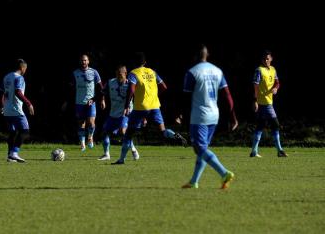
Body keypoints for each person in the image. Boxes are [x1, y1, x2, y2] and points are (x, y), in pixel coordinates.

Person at [112, 52, 187, 164]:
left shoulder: (133, 73)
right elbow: (164, 87)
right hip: (155, 106)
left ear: (134, 63)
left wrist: (127, 106)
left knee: (128, 134)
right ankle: (175, 135)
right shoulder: (152, 72)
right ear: (145, 62)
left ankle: (121, 159)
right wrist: (154, 96)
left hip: (141, 107)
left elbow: (131, 90)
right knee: (162, 131)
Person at [181, 45, 238, 189]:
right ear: (207, 55)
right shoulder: (217, 71)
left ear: (195, 56)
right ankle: (194, 181)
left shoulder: (192, 72)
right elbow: (227, 96)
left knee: (199, 148)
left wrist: (182, 116)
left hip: (199, 116)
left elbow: (186, 98)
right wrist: (233, 117)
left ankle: (224, 173)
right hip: (214, 115)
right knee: (203, 149)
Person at [62, 53, 104, 151]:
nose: (83, 62)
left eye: (85, 60)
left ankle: (90, 137)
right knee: (81, 123)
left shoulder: (94, 72)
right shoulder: (75, 73)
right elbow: (70, 89)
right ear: (79, 62)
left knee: (91, 122)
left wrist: (102, 100)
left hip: (91, 102)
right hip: (79, 102)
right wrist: (66, 102)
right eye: (82, 60)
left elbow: (101, 88)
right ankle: (82, 143)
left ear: (88, 61)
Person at [250, 50, 287, 157]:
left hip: (269, 101)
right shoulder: (259, 70)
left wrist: (275, 88)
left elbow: (277, 83)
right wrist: (255, 100)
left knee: (260, 126)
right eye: (264, 59)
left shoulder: (273, 69)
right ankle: (279, 150)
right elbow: (255, 86)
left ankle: (254, 151)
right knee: (275, 124)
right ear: (261, 60)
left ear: (271, 59)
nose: (266, 61)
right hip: (264, 102)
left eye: (267, 58)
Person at [98, 65, 139, 161]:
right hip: (113, 113)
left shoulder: (130, 84)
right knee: (104, 133)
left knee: (123, 132)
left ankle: (133, 149)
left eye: (120, 75)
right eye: (116, 74)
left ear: (125, 74)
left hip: (126, 113)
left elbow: (137, 97)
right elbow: (102, 92)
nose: (118, 77)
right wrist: (102, 100)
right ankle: (106, 154)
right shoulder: (110, 82)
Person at [0, 59, 34, 163]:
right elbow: (18, 92)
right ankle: (14, 153)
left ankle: (10, 155)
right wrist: (29, 104)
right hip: (16, 110)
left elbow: (4, 93)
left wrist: (3, 105)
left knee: (13, 132)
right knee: (25, 131)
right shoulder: (20, 78)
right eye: (25, 69)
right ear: (23, 68)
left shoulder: (6, 77)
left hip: (7, 109)